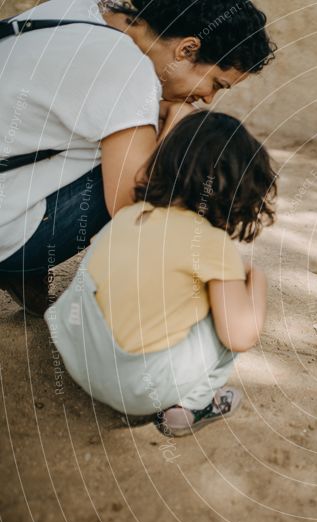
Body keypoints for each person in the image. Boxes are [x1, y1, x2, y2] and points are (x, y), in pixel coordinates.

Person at [0, 0, 275, 316]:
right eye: (215, 83)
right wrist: (175, 127)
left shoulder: (83, 11)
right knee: (171, 157)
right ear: (186, 49)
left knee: (131, 131)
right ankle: (20, 263)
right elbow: (133, 208)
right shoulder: (128, 69)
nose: (209, 98)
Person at [46, 111, 276, 436]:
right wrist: (258, 282)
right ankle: (191, 406)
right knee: (226, 319)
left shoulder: (130, 215)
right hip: (136, 388)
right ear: (237, 191)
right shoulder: (211, 242)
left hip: (76, 357)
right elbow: (241, 336)